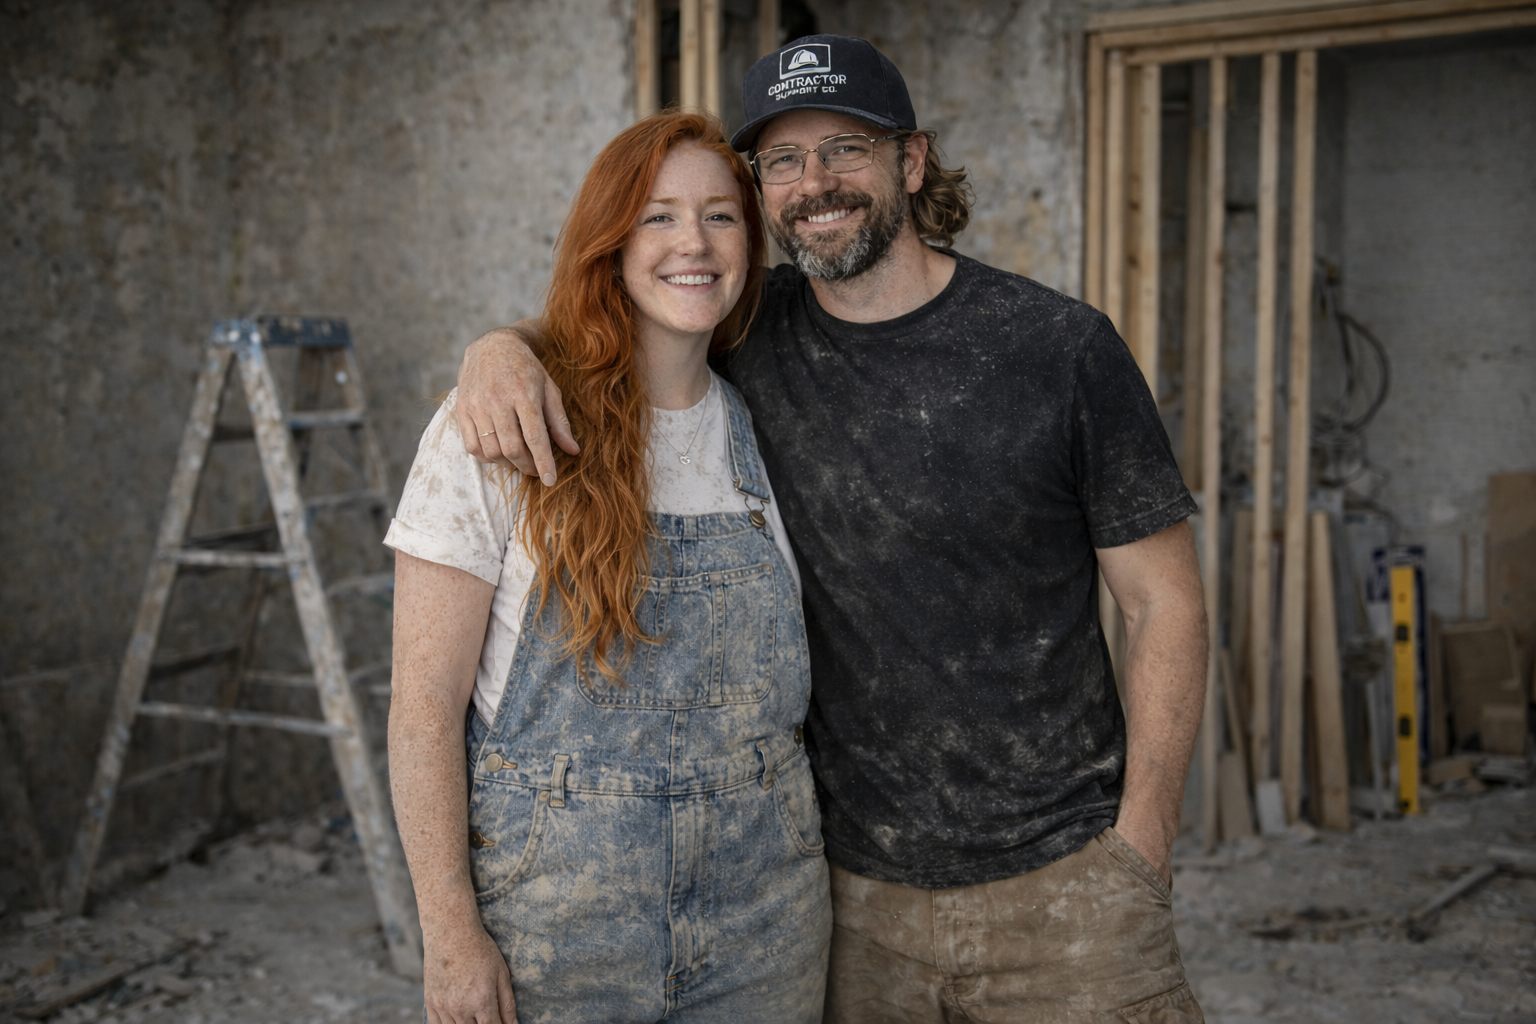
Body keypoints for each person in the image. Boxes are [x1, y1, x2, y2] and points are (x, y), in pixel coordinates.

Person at [454, 35, 1209, 1024]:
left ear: (911, 159)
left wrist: (1142, 840)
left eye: (845, 149)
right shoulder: (744, 334)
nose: (816, 183)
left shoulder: (1058, 348)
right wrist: (497, 348)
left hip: (1063, 887)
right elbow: (616, 311)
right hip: (849, 906)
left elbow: (1166, 603)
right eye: (782, 161)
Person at [386, 110, 832, 1024]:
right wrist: (450, 934)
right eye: (657, 216)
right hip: (558, 926)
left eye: (720, 215)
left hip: (764, 923)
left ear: (751, 239)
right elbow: (423, 706)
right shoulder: (496, 429)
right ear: (611, 243)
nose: (693, 243)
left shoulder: (772, 425)